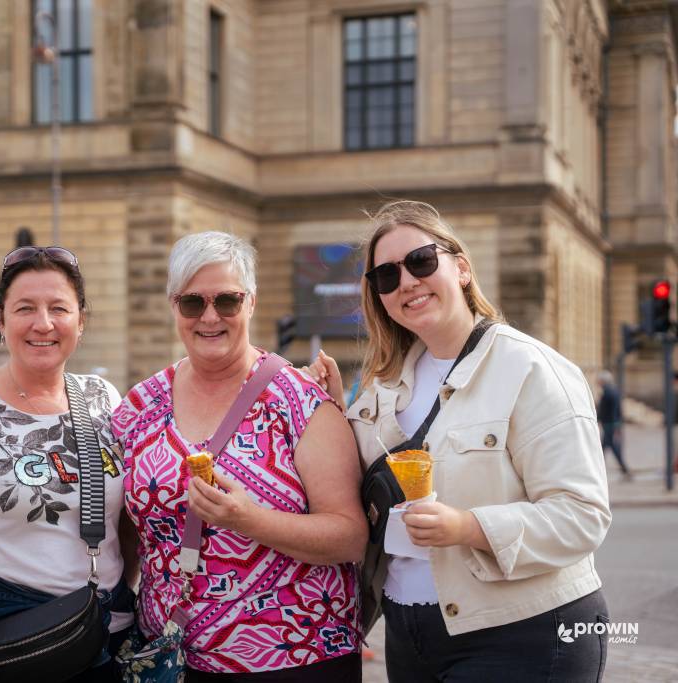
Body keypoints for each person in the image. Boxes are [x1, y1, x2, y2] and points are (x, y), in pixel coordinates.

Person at [310, 200, 611, 682]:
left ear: (462, 268)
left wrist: (468, 526)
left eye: (421, 261)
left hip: (522, 632)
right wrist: (332, 412)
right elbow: (364, 486)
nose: (406, 281)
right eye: (386, 276)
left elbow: (583, 515)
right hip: (408, 633)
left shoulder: (531, 368)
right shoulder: (380, 386)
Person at [112, 231, 367, 680]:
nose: (210, 317)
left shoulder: (299, 400)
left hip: (296, 657)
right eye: (193, 303)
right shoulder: (140, 406)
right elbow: (129, 534)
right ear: (174, 306)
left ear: (250, 302)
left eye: (226, 301)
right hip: (171, 660)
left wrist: (248, 519)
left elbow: (349, 536)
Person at [0, 245, 136, 682]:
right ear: (1, 320)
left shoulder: (103, 398)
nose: (44, 323)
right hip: (9, 642)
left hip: (104, 636)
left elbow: (125, 521)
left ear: (81, 320)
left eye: (59, 308)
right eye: (25, 308)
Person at [597, 370, 630, 479]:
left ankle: (623, 469)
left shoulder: (608, 392)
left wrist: (604, 421)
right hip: (612, 423)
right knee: (605, 447)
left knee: (609, 447)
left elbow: (607, 410)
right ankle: (600, 468)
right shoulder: (613, 391)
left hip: (609, 424)